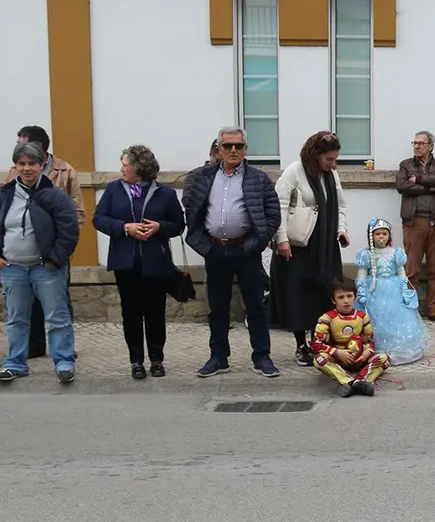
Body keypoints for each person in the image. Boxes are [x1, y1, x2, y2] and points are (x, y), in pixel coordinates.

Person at [182, 126, 281, 378]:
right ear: (219, 149)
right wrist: (204, 245)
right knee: (217, 307)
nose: (233, 150)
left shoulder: (258, 179)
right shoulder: (203, 177)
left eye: (238, 146)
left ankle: (262, 356)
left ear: (246, 149)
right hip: (214, 250)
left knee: (256, 306)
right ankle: (218, 357)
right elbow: (192, 210)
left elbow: (272, 215)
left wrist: (254, 244)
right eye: (228, 146)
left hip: (246, 250)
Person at [92, 144, 185, 379]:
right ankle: (136, 361)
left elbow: (178, 225)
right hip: (126, 262)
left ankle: (156, 359)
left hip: (156, 262)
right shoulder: (114, 190)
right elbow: (99, 219)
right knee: (131, 313)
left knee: (155, 312)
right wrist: (124, 227)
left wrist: (159, 227)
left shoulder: (165, 193)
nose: (121, 169)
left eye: (125, 165)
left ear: (139, 167)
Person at [0, 142, 79, 383]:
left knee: (57, 317)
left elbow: (69, 230)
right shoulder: (4, 195)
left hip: (47, 268)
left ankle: (64, 362)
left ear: (41, 165)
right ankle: (15, 363)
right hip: (12, 268)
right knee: (16, 318)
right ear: (15, 166)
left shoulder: (54, 196)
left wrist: (55, 260)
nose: (26, 169)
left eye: (32, 163)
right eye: (21, 164)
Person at [271, 131, 349, 367]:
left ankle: (320, 341)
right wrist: (281, 239)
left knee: (324, 293)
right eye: (329, 160)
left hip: (326, 245)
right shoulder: (294, 172)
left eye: (335, 159)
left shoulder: (331, 175)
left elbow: (341, 205)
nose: (333, 164)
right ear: (316, 156)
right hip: (299, 245)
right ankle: (300, 345)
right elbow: (280, 207)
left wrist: (341, 229)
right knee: (298, 295)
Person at [395, 130, 435, 325]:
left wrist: (419, 180)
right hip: (414, 222)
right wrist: (430, 186)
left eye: (421, 143)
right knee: (411, 269)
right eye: (415, 143)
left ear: (431, 146)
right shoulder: (406, 165)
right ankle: (410, 310)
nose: (417, 146)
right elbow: (402, 186)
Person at [354, 218, 428, 365]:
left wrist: (404, 288)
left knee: (395, 317)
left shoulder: (396, 253)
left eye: (384, 234)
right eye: (377, 234)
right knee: (376, 318)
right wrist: (361, 290)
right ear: (371, 236)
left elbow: (401, 272)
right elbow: (361, 274)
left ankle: (397, 349)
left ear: (389, 236)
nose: (381, 237)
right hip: (374, 290)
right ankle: (376, 349)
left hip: (393, 290)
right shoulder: (367, 254)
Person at [310, 277, 390, 398]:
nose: (346, 301)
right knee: (319, 359)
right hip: (337, 360)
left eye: (349, 296)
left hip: (359, 360)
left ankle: (360, 380)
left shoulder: (362, 317)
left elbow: (369, 341)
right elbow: (316, 344)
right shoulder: (327, 318)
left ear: (355, 297)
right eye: (341, 297)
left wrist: (367, 352)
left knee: (385, 358)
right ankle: (348, 381)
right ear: (333, 300)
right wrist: (337, 352)